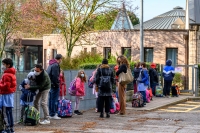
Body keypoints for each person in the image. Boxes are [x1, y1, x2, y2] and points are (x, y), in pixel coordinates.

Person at [0, 58, 16, 133]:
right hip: (10, 95)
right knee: (9, 112)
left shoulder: (6, 75)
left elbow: (6, 86)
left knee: (5, 112)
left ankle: (8, 128)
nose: (2, 66)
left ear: (8, 65)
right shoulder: (12, 73)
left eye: (3, 64)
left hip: (6, 95)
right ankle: (11, 128)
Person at [47, 54, 62, 120]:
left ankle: (51, 113)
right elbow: (55, 76)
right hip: (54, 85)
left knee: (51, 99)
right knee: (54, 100)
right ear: (60, 59)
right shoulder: (56, 65)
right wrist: (57, 84)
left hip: (50, 84)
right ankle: (53, 113)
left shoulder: (51, 64)